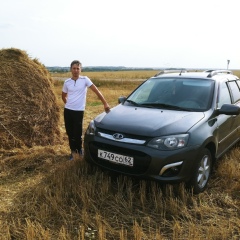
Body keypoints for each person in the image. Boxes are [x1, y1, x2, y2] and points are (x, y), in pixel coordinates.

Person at [62, 60, 110, 160]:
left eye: (77, 68)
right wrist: (69, 104)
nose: (75, 70)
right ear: (71, 69)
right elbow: (63, 96)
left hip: (78, 111)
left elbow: (96, 91)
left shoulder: (85, 80)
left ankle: (79, 151)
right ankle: (73, 152)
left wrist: (105, 103)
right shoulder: (67, 82)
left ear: (81, 69)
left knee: (77, 133)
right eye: (74, 68)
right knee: (70, 133)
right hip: (68, 111)